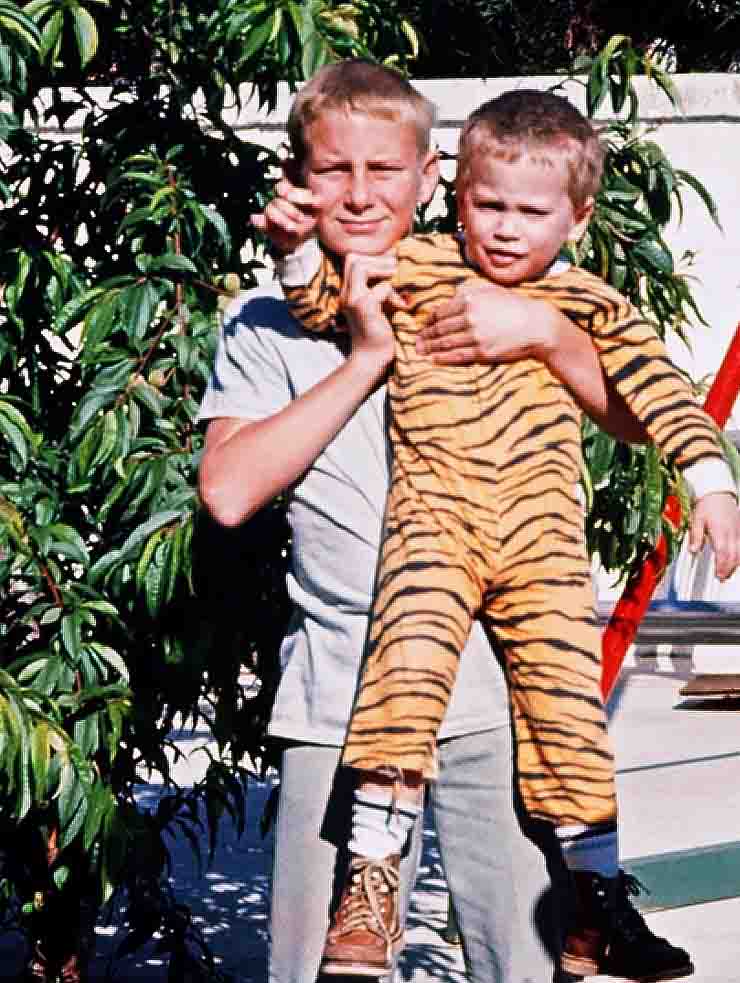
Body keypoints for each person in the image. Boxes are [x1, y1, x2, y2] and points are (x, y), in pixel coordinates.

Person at [200, 61, 673, 983]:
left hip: (492, 699)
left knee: (521, 962)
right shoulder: (263, 320)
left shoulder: (501, 288)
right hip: (338, 696)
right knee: (322, 964)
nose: (360, 193)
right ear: (297, 179)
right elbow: (226, 492)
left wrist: (545, 334)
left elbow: (633, 415)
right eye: (334, 170)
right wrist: (366, 356)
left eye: (385, 170)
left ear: (430, 180)